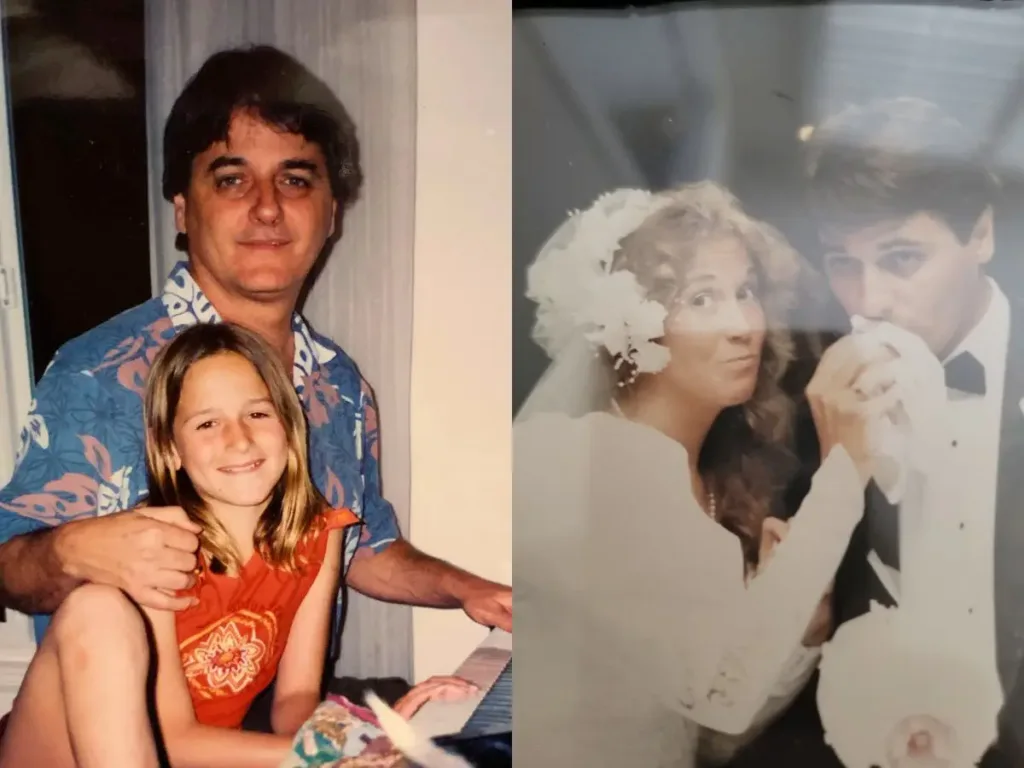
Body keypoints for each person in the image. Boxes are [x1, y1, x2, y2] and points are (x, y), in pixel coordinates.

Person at [0, 44, 510, 694]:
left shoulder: (340, 385)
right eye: (232, 178)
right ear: (183, 208)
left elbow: (365, 547)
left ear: (332, 212)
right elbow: (10, 562)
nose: (268, 207)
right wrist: (70, 549)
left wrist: (477, 592)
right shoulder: (101, 370)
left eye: (296, 179)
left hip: (285, 718)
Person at [514, 182, 887, 767]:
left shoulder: (719, 479)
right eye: (701, 299)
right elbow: (722, 694)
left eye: (745, 292)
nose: (742, 324)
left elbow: (710, 737)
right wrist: (845, 473)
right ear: (633, 326)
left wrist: (804, 630)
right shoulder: (581, 460)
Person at [0, 323, 476, 768]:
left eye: (256, 413)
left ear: (290, 428)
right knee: (97, 606)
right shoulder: (156, 549)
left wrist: (371, 734)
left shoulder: (320, 537)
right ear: (170, 449)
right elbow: (175, 739)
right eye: (207, 424)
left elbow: (293, 705)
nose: (239, 438)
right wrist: (351, 750)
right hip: (61, 753)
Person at [794, 97, 1024, 767]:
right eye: (843, 262)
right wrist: (839, 472)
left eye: (900, 258)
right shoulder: (809, 395)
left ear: (980, 233)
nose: (868, 302)